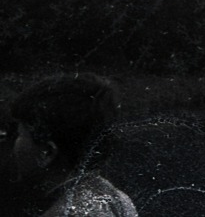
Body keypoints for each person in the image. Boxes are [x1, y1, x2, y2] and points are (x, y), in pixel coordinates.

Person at [9, 74, 140, 217]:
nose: (15, 144)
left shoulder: (65, 213)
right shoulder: (118, 199)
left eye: (20, 134)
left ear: (46, 152)